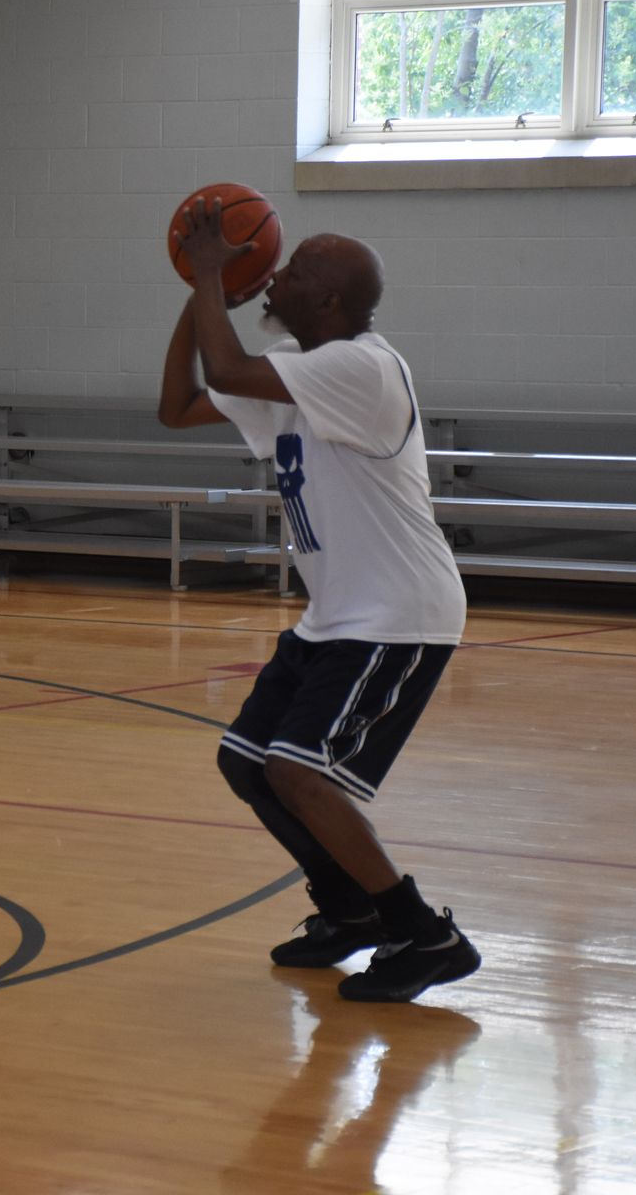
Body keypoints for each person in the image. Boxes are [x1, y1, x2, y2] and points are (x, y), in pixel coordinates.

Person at [158, 199, 479, 1003]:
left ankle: (423, 934)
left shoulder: (360, 367)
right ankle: (347, 910)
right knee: (248, 763)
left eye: (296, 270)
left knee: (300, 771)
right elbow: (179, 404)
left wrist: (207, 277)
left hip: (399, 612)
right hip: (337, 616)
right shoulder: (295, 374)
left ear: (330, 302)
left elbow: (225, 369)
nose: (278, 272)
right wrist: (199, 297)